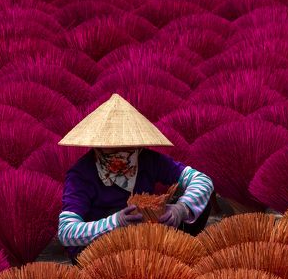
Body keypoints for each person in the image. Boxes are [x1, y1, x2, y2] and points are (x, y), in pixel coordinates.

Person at [57, 94, 214, 262]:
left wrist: (180, 209)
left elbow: (202, 180)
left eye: (128, 147)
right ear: (97, 146)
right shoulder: (81, 174)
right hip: (100, 253)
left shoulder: (148, 159)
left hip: (143, 239)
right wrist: (115, 222)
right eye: (111, 148)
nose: (121, 154)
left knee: (200, 202)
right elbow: (66, 232)